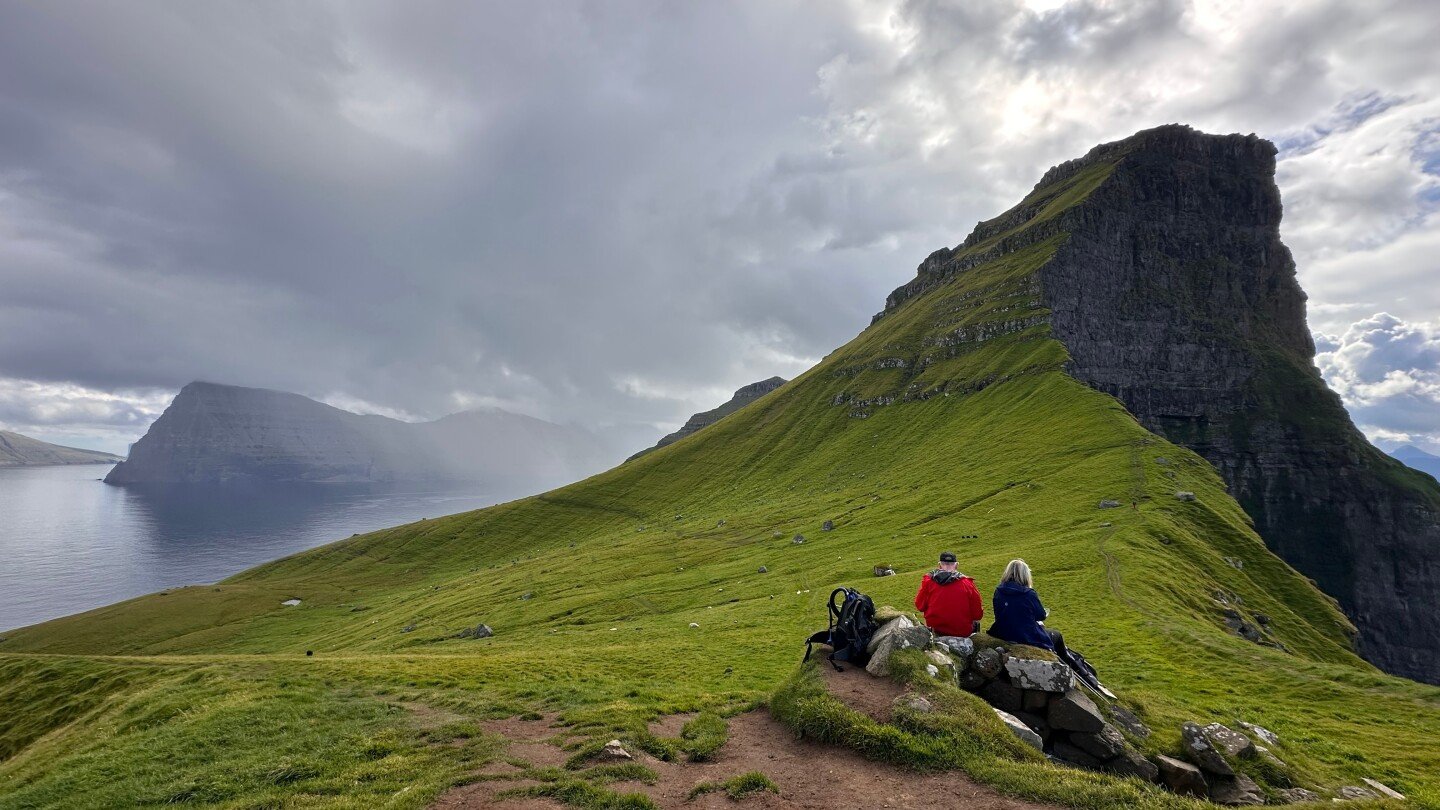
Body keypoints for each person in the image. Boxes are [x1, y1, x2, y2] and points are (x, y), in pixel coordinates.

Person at [989, 558, 1103, 691]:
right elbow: (1041, 615)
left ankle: (1075, 668)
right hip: (1026, 635)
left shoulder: (999, 591)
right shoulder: (1028, 594)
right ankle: (1077, 671)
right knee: (1057, 637)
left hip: (1003, 631)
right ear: (1025, 575)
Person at [914, 551, 983, 637]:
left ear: (939, 565)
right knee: (976, 623)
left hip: (935, 630)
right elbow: (978, 614)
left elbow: (919, 606)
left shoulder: (928, 581)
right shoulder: (967, 583)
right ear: (956, 565)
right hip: (961, 632)